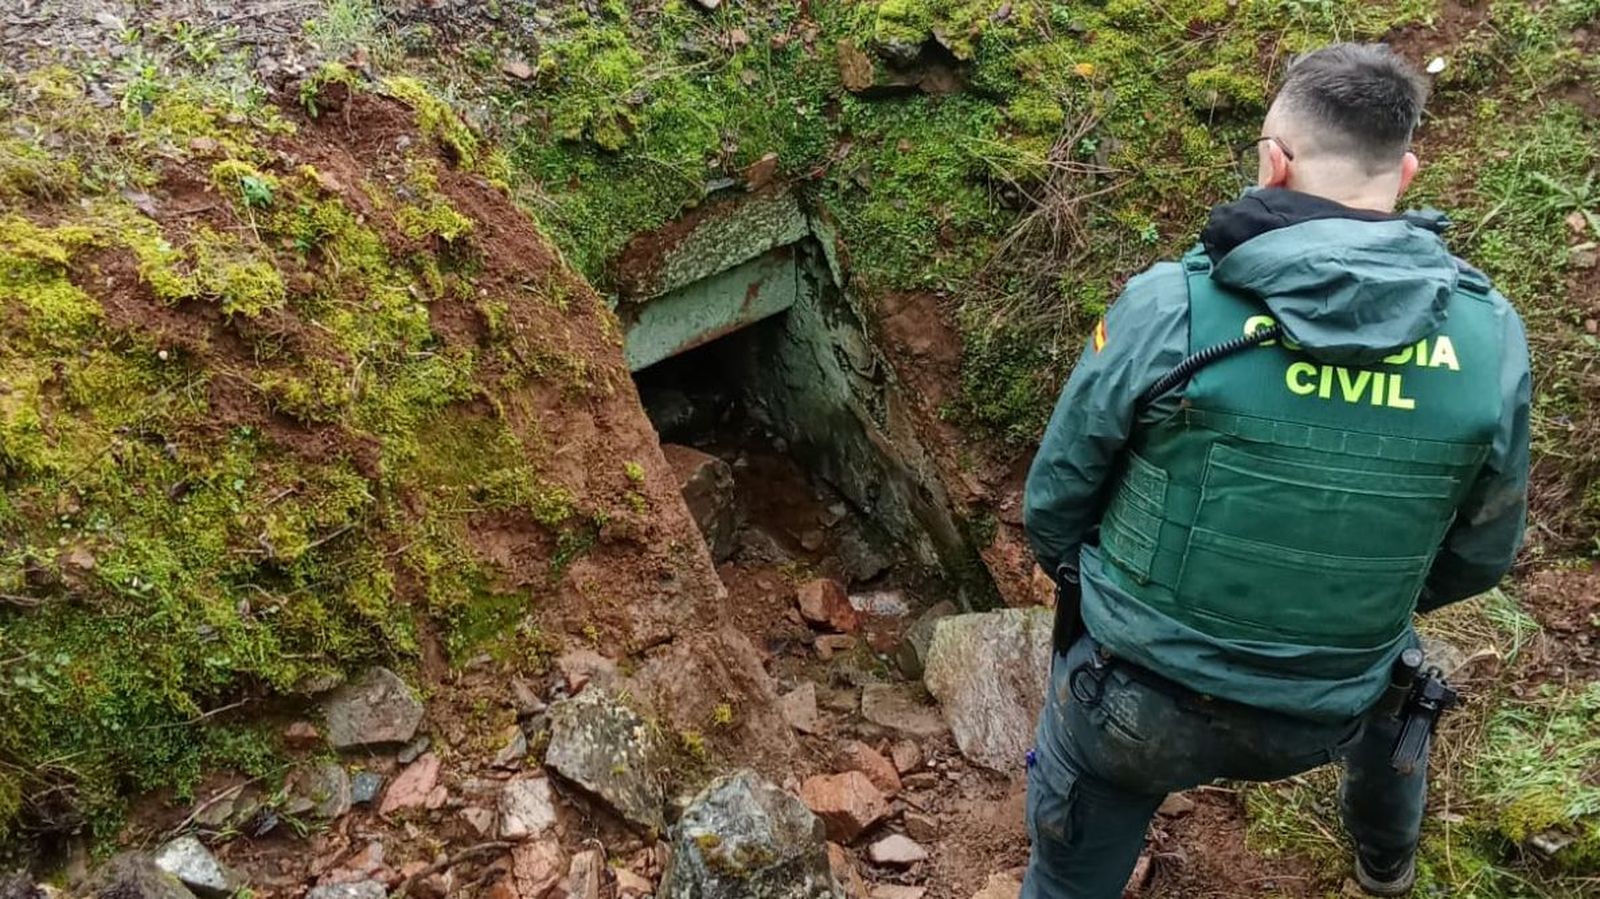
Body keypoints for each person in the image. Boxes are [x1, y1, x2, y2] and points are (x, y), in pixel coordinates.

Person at [1020, 43, 1530, 898]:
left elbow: (1056, 500)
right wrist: (1340, 615)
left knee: (1075, 840)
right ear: (1404, 172)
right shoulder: (1489, 341)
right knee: (1400, 678)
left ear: (1274, 160)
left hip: (1137, 707)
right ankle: (1385, 864)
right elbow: (1481, 553)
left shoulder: (1171, 306)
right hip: (1335, 705)